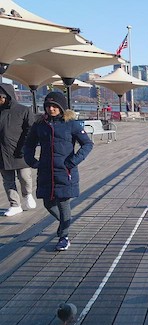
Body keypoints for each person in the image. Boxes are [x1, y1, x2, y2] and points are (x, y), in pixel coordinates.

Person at [24, 92, 93, 251]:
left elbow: (87, 144)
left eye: (55, 106)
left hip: (65, 171)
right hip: (46, 170)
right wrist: (32, 161)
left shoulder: (71, 124)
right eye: (48, 106)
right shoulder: (40, 124)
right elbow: (29, 144)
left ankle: (64, 236)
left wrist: (73, 161)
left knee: (63, 203)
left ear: (61, 107)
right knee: (48, 203)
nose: (51, 109)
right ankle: (65, 223)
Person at [0, 83, 36, 216]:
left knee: (25, 177)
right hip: (2, 152)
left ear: (7, 96)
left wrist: (25, 147)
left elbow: (30, 129)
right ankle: (15, 204)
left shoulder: (23, 110)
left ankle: (28, 195)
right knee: (8, 180)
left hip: (20, 150)